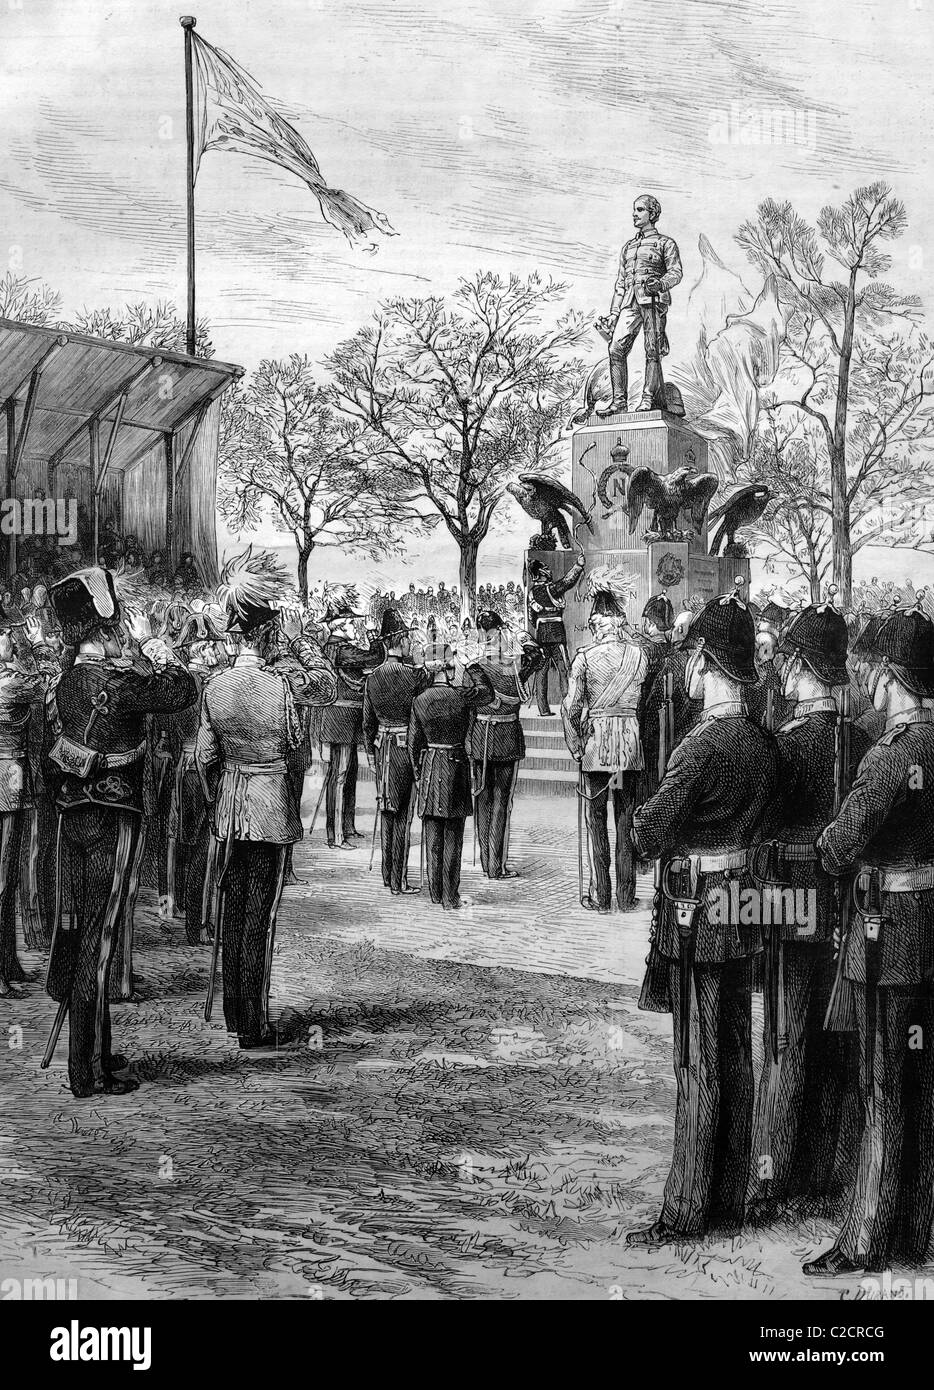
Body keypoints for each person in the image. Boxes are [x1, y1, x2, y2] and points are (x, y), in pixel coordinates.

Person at [628, 581, 779, 1244]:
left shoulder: (701, 747)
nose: (686, 669)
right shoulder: (764, 744)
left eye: (692, 658)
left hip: (694, 912)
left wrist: (638, 817)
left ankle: (687, 1211)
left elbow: (650, 833)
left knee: (697, 1060)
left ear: (712, 667)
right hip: (743, 906)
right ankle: (730, 1197)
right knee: (738, 1054)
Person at [804, 601, 934, 1274]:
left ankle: (865, 1238)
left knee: (879, 1086)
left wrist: (828, 848)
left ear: (890, 676)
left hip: (887, 935)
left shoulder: (890, 756)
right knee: (924, 1082)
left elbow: (838, 846)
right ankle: (919, 1230)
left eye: (874, 668)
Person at [44, 568, 196, 1096]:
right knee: (100, 938)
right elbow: (180, 691)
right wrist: (158, 649)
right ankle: (86, 1073)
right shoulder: (118, 682)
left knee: (80, 927)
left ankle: (95, 1051)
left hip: (71, 817)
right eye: (118, 624)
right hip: (113, 817)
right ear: (105, 628)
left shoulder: (66, 681)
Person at [746, 597, 869, 1225]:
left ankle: (773, 1169)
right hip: (848, 905)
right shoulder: (866, 739)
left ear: (798, 668)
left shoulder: (783, 745)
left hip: (791, 897)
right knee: (838, 1034)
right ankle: (832, 1169)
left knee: (787, 1036)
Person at [196, 551, 337, 1050]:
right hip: (270, 803)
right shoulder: (281, 683)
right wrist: (304, 647)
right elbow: (319, 701)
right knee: (260, 912)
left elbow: (203, 755)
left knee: (233, 909)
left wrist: (221, 795)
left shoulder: (215, 685)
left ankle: (235, 1013)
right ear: (268, 631)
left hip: (229, 807)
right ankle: (254, 1025)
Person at [561, 572, 647, 912]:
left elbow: (570, 709)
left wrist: (576, 747)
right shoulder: (640, 657)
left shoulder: (583, 658)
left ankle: (600, 896)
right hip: (627, 750)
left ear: (598, 623)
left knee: (596, 822)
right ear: (620, 622)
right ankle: (626, 898)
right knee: (625, 820)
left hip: (596, 752)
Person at [408, 649, 492, 910]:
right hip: (456, 765)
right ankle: (450, 897)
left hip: (431, 766)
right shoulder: (461, 697)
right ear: (448, 669)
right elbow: (486, 694)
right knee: (454, 836)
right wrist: (473, 666)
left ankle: (435, 892)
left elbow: (413, 744)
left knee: (433, 834)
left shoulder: (420, 700)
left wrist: (419, 775)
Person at [465, 612, 544, 880]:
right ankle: (496, 866)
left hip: (480, 739)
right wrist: (522, 636)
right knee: (500, 802)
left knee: (483, 800)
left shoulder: (473, 668)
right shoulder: (516, 664)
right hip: (507, 736)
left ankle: (488, 863)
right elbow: (538, 655)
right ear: (501, 633)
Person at [596, 193, 683, 415]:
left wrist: (661, 284)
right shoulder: (628, 247)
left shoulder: (666, 243)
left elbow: (676, 273)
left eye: (640, 210)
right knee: (616, 348)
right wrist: (614, 314)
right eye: (634, 210)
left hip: (653, 302)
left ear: (652, 214)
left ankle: (647, 399)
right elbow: (621, 283)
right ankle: (619, 402)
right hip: (630, 304)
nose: (634, 214)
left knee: (652, 351)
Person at [362, 609, 428, 895]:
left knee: (387, 811)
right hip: (405, 748)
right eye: (408, 639)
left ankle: (388, 876)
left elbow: (367, 723)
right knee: (402, 815)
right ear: (400, 640)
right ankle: (399, 880)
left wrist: (370, 755)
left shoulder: (373, 677)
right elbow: (421, 719)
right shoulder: (414, 675)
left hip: (381, 749)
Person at [314, 601, 382, 849]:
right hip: (339, 719)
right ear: (341, 626)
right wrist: (375, 637)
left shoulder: (342, 648)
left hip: (347, 720)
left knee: (349, 773)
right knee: (340, 775)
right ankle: (336, 836)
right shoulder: (340, 649)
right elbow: (374, 657)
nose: (357, 626)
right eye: (352, 623)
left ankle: (348, 827)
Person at [527, 545, 585, 717]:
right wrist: (578, 566)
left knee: (541, 672)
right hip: (556, 634)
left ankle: (543, 709)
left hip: (541, 635)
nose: (549, 571)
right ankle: (567, 708)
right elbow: (567, 582)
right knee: (564, 670)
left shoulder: (532, 592)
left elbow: (532, 618)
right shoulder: (549, 589)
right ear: (541, 574)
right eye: (545, 569)